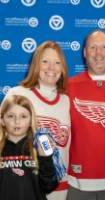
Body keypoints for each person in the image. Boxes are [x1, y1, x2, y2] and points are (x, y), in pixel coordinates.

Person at [67, 30, 105, 200]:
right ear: (85, 52)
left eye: (104, 47)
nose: (98, 53)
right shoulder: (68, 87)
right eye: (93, 47)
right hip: (77, 181)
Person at [4, 41, 71, 200]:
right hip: (25, 186)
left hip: (60, 187)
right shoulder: (18, 94)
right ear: (36, 65)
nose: (51, 68)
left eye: (57, 63)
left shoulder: (66, 101)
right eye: (45, 61)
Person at [0, 95, 58, 200]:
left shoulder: (41, 145)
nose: (17, 121)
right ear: (2, 120)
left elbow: (49, 187)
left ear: (31, 119)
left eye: (23, 116)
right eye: (11, 116)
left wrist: (45, 158)